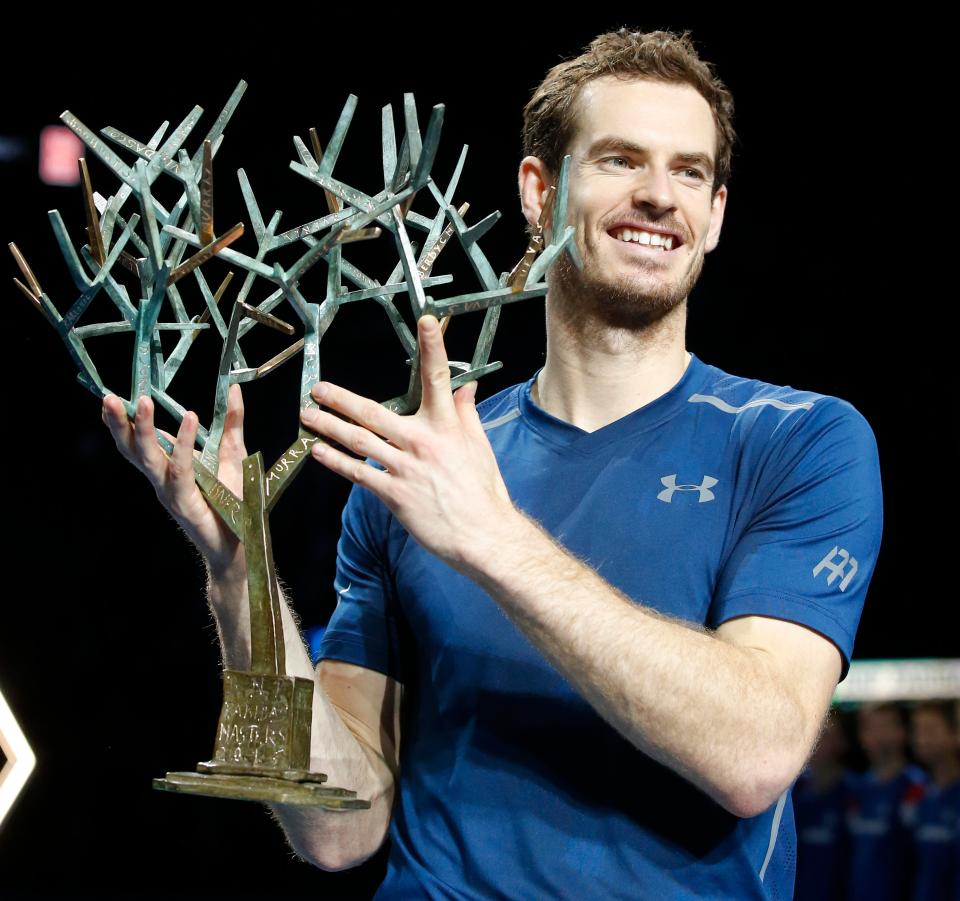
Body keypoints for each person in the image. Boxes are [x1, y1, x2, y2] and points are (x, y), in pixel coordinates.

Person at [102, 27, 884, 899]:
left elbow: (756, 752)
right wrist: (236, 570)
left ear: (717, 217)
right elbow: (333, 827)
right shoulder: (416, 469)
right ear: (538, 192)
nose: (660, 195)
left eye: (690, 171)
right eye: (621, 160)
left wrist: (491, 535)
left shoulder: (801, 441)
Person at [847, 703, 927, 901]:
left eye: (885, 726)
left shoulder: (916, 787)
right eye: (870, 727)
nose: (877, 734)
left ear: (902, 733)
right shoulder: (857, 789)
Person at [793, 709, 856, 901]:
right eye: (813, 732)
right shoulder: (793, 792)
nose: (817, 741)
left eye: (825, 734)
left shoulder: (854, 793)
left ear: (842, 743)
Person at [909, 700, 960, 901]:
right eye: (917, 730)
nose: (921, 739)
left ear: (955, 733)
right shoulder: (917, 793)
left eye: (930, 730)